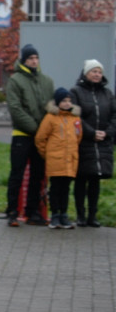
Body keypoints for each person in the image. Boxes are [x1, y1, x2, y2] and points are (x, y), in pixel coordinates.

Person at [4, 44, 54, 227]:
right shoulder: (15, 80)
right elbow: (15, 108)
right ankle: (12, 211)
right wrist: (35, 128)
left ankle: (33, 212)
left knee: (37, 174)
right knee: (17, 174)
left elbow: (50, 106)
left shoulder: (47, 81)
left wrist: (45, 130)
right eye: (30, 58)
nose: (34, 61)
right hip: (22, 134)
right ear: (24, 60)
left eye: (36, 58)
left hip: (40, 137)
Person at [70, 60, 116, 227]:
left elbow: (114, 116)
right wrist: (90, 132)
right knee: (81, 179)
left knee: (96, 179)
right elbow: (75, 116)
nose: (97, 74)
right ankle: (80, 215)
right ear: (86, 73)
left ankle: (92, 215)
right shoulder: (76, 92)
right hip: (84, 142)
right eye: (93, 71)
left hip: (102, 143)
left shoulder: (108, 94)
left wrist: (108, 132)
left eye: (99, 72)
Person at [35, 88, 82, 230]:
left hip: (70, 160)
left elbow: (78, 137)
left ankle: (64, 214)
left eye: (69, 101)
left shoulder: (75, 118)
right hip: (55, 160)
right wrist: (48, 154)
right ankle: (55, 214)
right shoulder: (50, 118)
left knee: (66, 189)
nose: (67, 104)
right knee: (55, 188)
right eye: (63, 101)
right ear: (57, 102)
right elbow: (40, 138)